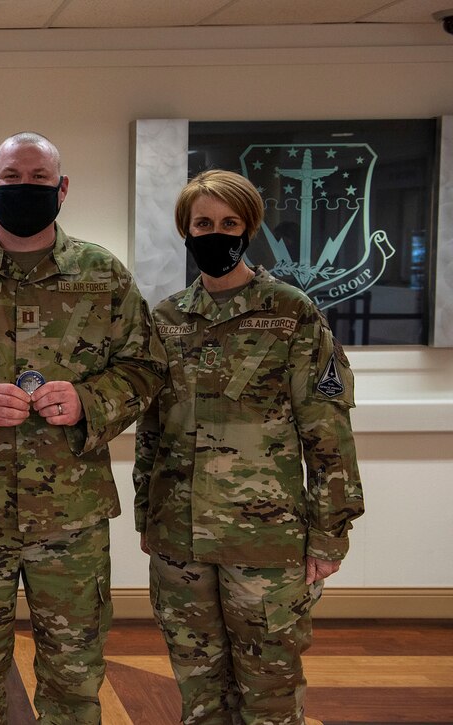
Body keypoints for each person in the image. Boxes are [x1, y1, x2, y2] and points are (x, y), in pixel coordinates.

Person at [0, 132, 166, 723]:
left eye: (39, 179)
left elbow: (147, 370)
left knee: (73, 680)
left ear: (62, 189)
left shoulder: (104, 276)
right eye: (12, 179)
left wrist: (91, 400)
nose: (25, 188)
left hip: (71, 517)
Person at [133, 169, 365, 724]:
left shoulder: (292, 314)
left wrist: (330, 535)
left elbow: (327, 434)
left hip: (266, 541)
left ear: (250, 228)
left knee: (270, 692)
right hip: (179, 539)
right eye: (203, 223)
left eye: (230, 222)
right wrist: (147, 518)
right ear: (186, 232)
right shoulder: (165, 320)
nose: (216, 233)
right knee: (198, 690)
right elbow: (150, 432)